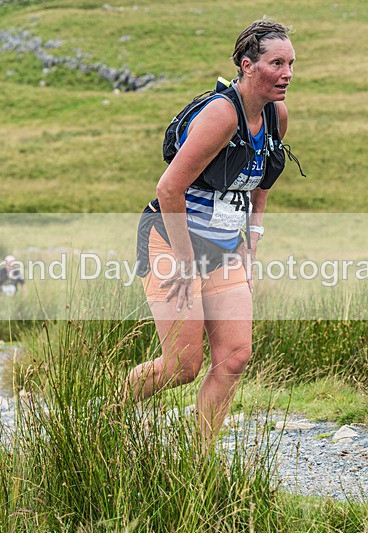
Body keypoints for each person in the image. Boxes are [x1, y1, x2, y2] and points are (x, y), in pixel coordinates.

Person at [126, 19, 295, 445]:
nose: (288, 73)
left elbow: (262, 183)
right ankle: (102, 419)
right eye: (277, 62)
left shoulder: (277, 116)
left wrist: (252, 245)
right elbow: (168, 188)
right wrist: (185, 263)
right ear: (248, 65)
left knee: (235, 358)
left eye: (291, 63)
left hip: (225, 247)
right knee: (182, 366)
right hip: (171, 238)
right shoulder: (221, 115)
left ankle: (196, 461)